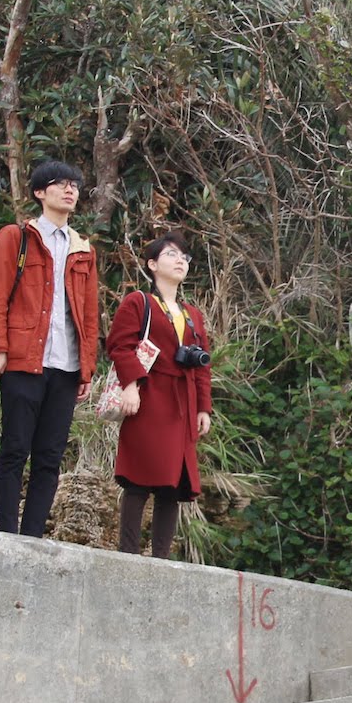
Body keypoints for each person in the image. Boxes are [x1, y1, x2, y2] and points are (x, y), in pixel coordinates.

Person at [0, 160, 99, 537]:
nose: (70, 190)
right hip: (23, 360)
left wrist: (87, 368)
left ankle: (32, 537)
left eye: (74, 185)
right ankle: (6, 533)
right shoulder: (17, 237)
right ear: (39, 192)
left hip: (65, 367)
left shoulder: (83, 249)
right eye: (60, 184)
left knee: (49, 457)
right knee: (14, 449)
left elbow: (90, 314)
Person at [106, 230, 213, 558]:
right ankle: (128, 552)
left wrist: (203, 408)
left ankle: (162, 558)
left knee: (174, 483)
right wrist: (131, 385)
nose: (180, 260)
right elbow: (120, 346)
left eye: (184, 256)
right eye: (171, 255)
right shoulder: (139, 302)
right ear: (152, 264)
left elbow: (202, 365)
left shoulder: (192, 315)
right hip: (150, 397)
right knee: (139, 477)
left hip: (183, 403)